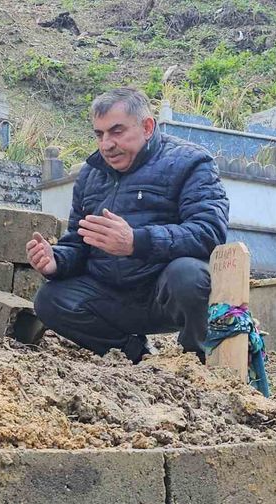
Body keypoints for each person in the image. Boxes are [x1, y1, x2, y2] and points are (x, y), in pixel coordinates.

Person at [25, 87, 229, 364]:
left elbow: (209, 232)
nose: (106, 144)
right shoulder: (90, 175)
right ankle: (135, 355)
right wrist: (56, 260)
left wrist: (136, 241)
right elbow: (78, 242)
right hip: (111, 296)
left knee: (189, 275)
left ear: (147, 127)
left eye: (117, 131)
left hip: (164, 293)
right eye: (99, 134)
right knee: (50, 299)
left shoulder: (191, 162)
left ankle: (195, 360)